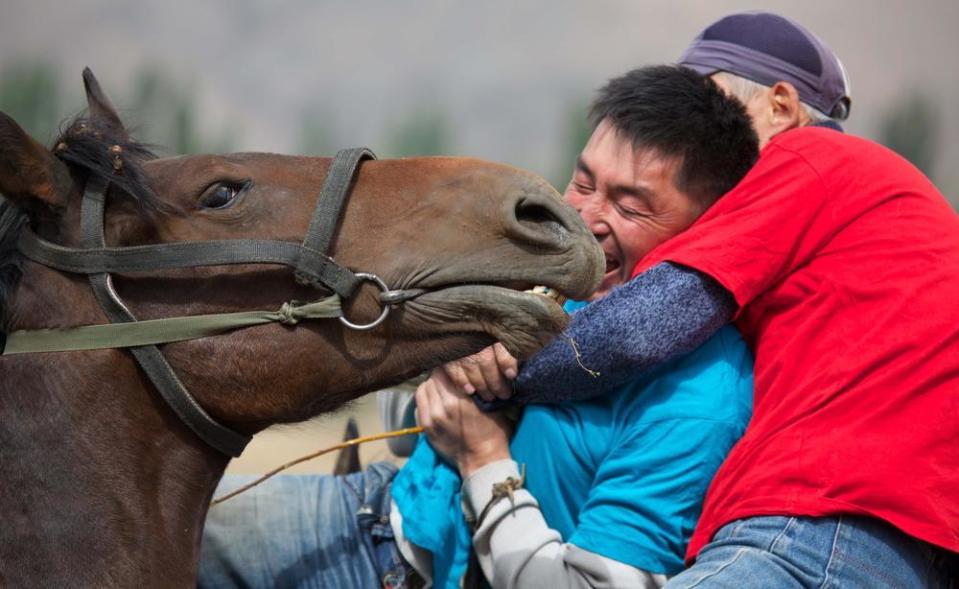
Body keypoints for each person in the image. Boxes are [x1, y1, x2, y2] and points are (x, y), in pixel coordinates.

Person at [198, 65, 759, 588]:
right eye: (584, 184)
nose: (587, 220)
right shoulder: (577, 292)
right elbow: (407, 422)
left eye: (630, 207)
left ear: (707, 225)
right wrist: (448, 361)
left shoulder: (698, 402)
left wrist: (483, 459)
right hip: (385, 512)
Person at [448, 12, 959, 587]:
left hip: (819, 527)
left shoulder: (807, 160)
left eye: (703, 101)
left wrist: (495, 370)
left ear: (782, 108)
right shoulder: (845, 217)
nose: (687, 134)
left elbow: (636, 330)